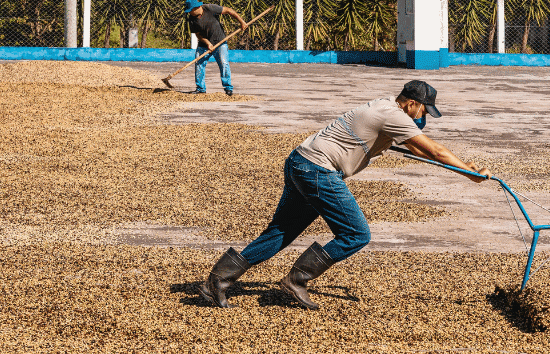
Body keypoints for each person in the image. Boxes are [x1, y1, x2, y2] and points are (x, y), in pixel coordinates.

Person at [198, 80, 492, 311]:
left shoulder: (385, 105)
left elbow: (417, 148)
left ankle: (218, 280)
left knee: (282, 231)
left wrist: (465, 166)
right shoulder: (394, 115)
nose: (424, 116)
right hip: (319, 171)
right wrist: (470, 174)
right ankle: (296, 280)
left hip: (300, 161)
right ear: (413, 104)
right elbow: (434, 150)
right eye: (424, 111)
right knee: (356, 234)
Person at [183, 0, 248, 96]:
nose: (189, 13)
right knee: (199, 63)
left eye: (190, 11)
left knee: (224, 64)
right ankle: (200, 88)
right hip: (204, 44)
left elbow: (228, 10)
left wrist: (241, 22)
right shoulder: (191, 19)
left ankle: (228, 88)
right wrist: (208, 43)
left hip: (220, 42)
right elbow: (198, 34)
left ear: (196, 8)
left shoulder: (210, 8)